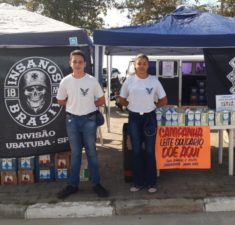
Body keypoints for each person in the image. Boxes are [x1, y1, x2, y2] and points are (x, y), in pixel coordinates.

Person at [56, 49, 109, 199]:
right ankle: (73, 185)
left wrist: (87, 105)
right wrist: (73, 105)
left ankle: (96, 184)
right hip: (72, 121)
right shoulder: (65, 81)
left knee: (92, 153)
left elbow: (101, 100)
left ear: (85, 64)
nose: (77, 64)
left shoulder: (92, 80)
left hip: (89, 121)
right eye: (75, 61)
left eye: (80, 62)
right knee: (76, 154)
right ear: (70, 63)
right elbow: (60, 100)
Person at [118, 54, 167, 193]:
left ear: (148, 65)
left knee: (150, 151)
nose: (141, 66)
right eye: (139, 63)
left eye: (144, 63)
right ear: (135, 65)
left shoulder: (154, 81)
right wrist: (131, 105)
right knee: (137, 150)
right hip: (134, 117)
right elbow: (121, 99)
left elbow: (164, 100)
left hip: (150, 118)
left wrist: (152, 107)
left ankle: (151, 183)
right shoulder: (129, 81)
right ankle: (138, 182)